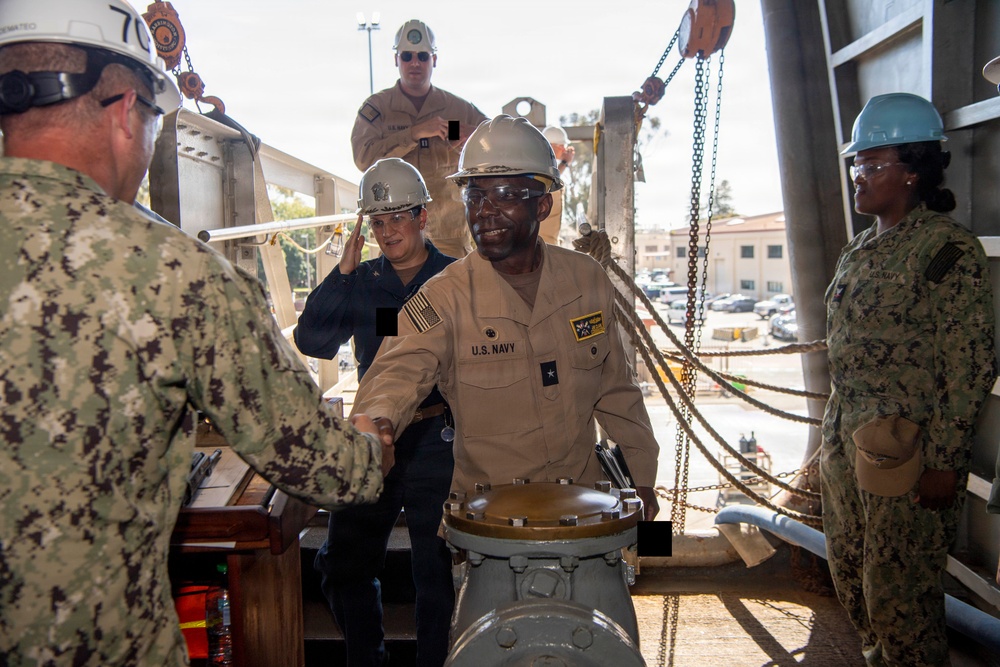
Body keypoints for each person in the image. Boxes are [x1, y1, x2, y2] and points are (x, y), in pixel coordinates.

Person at [0, 1, 388, 664]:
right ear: (127, 111)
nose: (394, 226)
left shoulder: (439, 284)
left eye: (404, 214)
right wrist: (373, 441)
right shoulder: (176, 272)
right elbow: (325, 408)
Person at [353, 114, 661, 521]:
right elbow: (398, 369)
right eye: (474, 196)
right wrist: (377, 423)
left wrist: (643, 480)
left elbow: (617, 390)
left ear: (543, 203)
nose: (484, 211)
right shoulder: (446, 297)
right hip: (491, 531)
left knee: (629, 573)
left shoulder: (586, 280)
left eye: (504, 194)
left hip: (586, 516)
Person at [821, 92, 997, 666]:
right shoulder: (860, 251)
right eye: (857, 164)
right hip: (848, 447)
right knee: (852, 578)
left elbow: (968, 365)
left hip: (908, 456)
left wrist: (946, 461)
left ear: (913, 171)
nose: (859, 176)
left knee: (901, 600)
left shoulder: (946, 251)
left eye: (873, 165)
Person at [294, 158, 456, 667]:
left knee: (438, 571)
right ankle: (370, 660)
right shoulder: (362, 280)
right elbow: (313, 340)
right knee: (342, 564)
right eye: (378, 222)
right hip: (377, 437)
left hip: (438, 437)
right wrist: (341, 276)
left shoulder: (456, 278)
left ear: (423, 216)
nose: (388, 232)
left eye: (399, 218)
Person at [351, 19, 487, 259]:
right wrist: (413, 133)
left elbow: (495, 147)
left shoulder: (458, 110)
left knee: (453, 297)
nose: (415, 63)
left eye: (423, 56)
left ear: (434, 60)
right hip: (396, 236)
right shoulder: (378, 109)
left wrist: (476, 136)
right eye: (407, 56)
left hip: (450, 238)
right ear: (396, 60)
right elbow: (364, 157)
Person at [538, 125, 576, 245]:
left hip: (548, 242)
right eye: (563, 146)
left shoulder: (548, 165)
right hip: (542, 242)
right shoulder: (540, 165)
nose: (565, 150)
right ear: (554, 146)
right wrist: (565, 162)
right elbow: (549, 179)